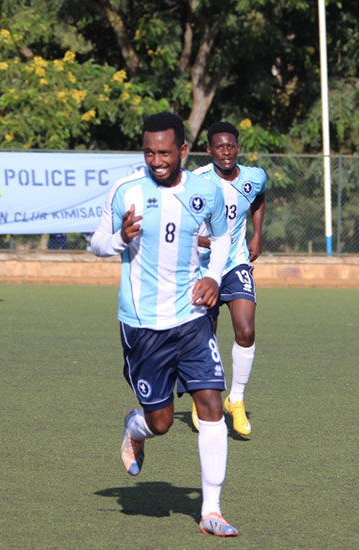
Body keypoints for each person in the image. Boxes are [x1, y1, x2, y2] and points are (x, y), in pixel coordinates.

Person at [90, 112, 238, 537]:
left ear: (183, 151)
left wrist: (213, 275)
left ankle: (212, 510)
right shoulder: (126, 190)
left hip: (192, 320)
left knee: (212, 407)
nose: (156, 160)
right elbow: (97, 243)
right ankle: (134, 426)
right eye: (149, 152)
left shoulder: (205, 191)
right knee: (161, 423)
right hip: (142, 326)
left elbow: (224, 237)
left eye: (165, 152)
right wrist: (119, 237)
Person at [189, 121, 266, 437]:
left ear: (237, 147)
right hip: (205, 269)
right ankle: (204, 398)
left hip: (236, 263)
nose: (225, 152)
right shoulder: (197, 181)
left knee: (246, 330)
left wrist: (258, 234)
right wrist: (206, 240)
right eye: (219, 147)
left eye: (230, 146)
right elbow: (186, 223)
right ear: (209, 150)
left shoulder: (252, 177)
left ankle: (236, 398)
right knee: (206, 336)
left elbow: (259, 197)